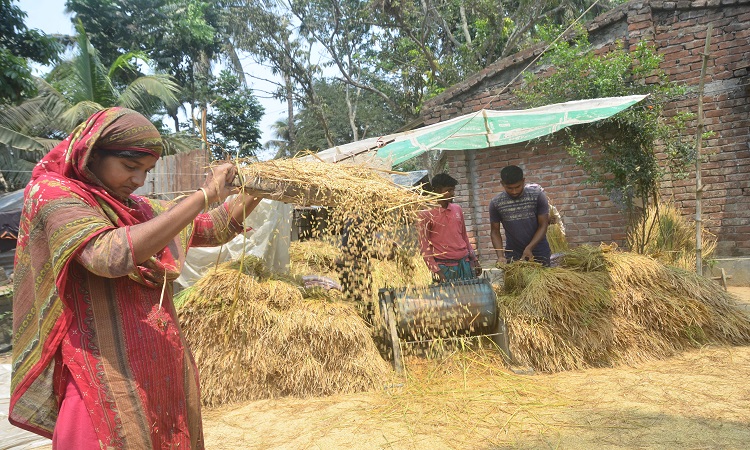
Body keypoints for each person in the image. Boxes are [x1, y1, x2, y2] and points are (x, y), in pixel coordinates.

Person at [8, 107, 261, 449]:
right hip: (101, 369)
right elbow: (107, 255)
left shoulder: (133, 207)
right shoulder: (52, 194)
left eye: (146, 170)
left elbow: (210, 228)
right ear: (92, 153)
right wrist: (202, 196)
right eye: (130, 167)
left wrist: (259, 189)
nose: (139, 180)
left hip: (158, 362)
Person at [418, 173, 479, 282]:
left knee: (470, 295)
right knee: (449, 297)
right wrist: (436, 270)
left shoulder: (457, 209)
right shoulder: (426, 214)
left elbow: (464, 236)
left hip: (465, 263)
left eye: (453, 190)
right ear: (437, 190)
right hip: (445, 267)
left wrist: (474, 259)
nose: (453, 194)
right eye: (449, 190)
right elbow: (424, 245)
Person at [489, 165, 551, 266]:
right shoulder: (496, 203)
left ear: (523, 181)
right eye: (509, 188)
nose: (514, 191)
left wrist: (529, 248)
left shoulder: (537, 196)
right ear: (502, 184)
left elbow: (543, 225)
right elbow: (495, 231)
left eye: (517, 187)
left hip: (539, 251)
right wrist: (500, 256)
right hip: (513, 254)